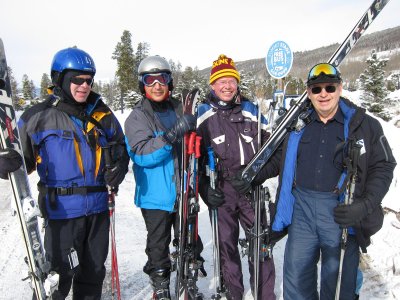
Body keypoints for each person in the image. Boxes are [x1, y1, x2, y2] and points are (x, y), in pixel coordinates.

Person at [233, 63, 396, 299]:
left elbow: (383, 166)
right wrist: (252, 175)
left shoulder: (365, 125)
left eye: (329, 87)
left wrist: (365, 205)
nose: (323, 94)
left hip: (341, 212)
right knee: (297, 283)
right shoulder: (298, 125)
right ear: (309, 92)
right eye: (316, 89)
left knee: (338, 285)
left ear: (340, 88)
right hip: (302, 213)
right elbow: (280, 159)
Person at [1, 47, 129, 299]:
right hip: (62, 214)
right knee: (59, 278)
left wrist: (121, 166)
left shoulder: (102, 114)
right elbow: (20, 164)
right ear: (60, 78)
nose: (84, 86)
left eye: (88, 80)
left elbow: (120, 147)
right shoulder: (38, 117)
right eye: (76, 80)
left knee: (93, 274)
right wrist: (5, 163)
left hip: (98, 210)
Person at [124, 56, 205, 300]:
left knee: (189, 239)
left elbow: (199, 145)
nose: (157, 85)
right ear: (143, 84)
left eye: (163, 79)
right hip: (156, 196)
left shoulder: (181, 109)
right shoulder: (137, 118)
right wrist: (171, 136)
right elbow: (142, 155)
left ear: (169, 82)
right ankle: (161, 285)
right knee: (158, 245)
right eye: (150, 80)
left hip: (184, 191)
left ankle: (188, 280)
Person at [196, 54, 276, 300]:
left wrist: (259, 174)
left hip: (251, 187)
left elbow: (273, 147)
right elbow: (194, 160)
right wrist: (204, 190)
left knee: (260, 245)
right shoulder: (202, 114)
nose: (227, 86)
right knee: (226, 248)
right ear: (212, 85)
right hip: (221, 188)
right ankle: (234, 295)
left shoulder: (251, 110)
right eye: (221, 81)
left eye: (231, 80)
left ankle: (264, 295)